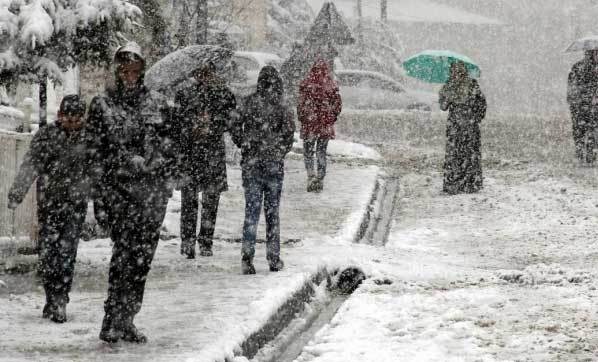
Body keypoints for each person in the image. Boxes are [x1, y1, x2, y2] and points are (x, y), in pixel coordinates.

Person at [87, 42, 176, 343]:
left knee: (142, 260)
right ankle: (111, 317)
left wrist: (158, 162)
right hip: (120, 193)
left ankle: (128, 318)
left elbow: (171, 144)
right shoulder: (102, 105)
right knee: (123, 257)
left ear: (142, 71)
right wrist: (101, 196)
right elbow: (95, 153)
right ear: (117, 70)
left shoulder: (157, 103)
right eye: (124, 69)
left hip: (151, 195)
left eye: (135, 70)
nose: (129, 75)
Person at [7, 95, 89, 323]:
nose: (73, 123)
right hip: (50, 204)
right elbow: (30, 165)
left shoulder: (89, 138)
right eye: (68, 118)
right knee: (49, 253)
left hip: (76, 205)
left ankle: (61, 298)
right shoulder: (46, 136)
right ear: (60, 115)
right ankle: (51, 296)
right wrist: (17, 192)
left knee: (67, 254)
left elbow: (99, 171)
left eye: (77, 119)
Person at [232, 66, 295, 274]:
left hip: (251, 165)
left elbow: (234, 125)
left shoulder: (248, 102)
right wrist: (278, 150)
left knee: (251, 212)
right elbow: (289, 133)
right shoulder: (282, 105)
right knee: (272, 213)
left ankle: (247, 257)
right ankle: (273, 257)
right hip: (273, 166)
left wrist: (244, 143)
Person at [174, 62, 236, 259]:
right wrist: (191, 126)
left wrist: (213, 124)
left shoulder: (223, 94)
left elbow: (231, 118)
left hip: (211, 153)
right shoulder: (184, 93)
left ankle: (205, 241)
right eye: (201, 73)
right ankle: (188, 241)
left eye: (208, 72)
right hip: (191, 152)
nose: (204, 76)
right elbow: (176, 121)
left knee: (210, 199)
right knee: (189, 199)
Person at [439, 61, 487, 195]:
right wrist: (445, 97)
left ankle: (470, 183)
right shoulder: (448, 86)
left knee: (470, 153)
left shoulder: (472, 85)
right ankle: (454, 183)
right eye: (454, 70)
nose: (457, 73)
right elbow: (443, 107)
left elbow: (481, 104)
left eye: (459, 70)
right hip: (455, 126)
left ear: (464, 71)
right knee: (455, 154)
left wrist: (475, 117)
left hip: (470, 126)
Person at [297, 58, 342, 192]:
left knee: (308, 152)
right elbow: (338, 105)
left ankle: (311, 175)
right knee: (321, 152)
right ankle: (320, 177)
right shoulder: (331, 85)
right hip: (324, 125)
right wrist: (331, 118)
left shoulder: (307, 84)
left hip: (310, 125)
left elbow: (300, 104)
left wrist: (303, 118)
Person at [567, 49, 598, 163]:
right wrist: (589, 96)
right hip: (580, 105)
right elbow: (573, 86)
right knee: (583, 129)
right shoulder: (579, 68)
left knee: (589, 129)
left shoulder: (577, 67)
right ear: (591, 54)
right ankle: (583, 154)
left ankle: (588, 154)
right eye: (596, 53)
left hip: (584, 105)